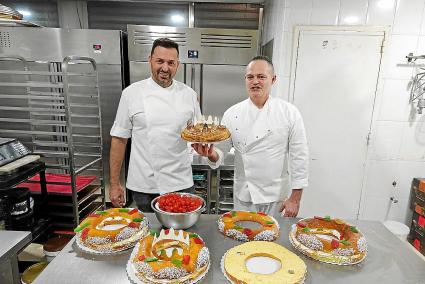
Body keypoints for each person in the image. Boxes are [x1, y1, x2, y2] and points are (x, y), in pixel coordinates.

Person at [192, 55, 309, 217]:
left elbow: (299, 156)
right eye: (250, 77)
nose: (255, 81)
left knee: (271, 240)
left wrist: (295, 199)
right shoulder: (232, 113)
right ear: (245, 80)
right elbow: (219, 153)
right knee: (244, 237)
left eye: (261, 77)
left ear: (273, 79)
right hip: (244, 196)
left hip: (275, 197)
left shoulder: (289, 112)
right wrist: (210, 154)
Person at [109, 38, 201, 211]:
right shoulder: (131, 94)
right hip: (144, 185)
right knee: (148, 235)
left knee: (183, 236)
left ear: (178, 64)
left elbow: (198, 135)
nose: (165, 68)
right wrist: (114, 184)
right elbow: (119, 139)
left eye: (171, 63)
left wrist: (206, 148)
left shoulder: (189, 95)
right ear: (149, 59)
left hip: (180, 183)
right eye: (160, 61)